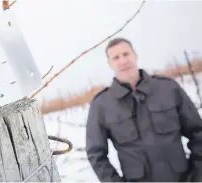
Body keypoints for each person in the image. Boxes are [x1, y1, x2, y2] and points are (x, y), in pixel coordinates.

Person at [85, 37, 202, 182]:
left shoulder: (168, 88)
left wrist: (197, 175)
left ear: (135, 55)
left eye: (126, 54)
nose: (122, 61)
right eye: (116, 57)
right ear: (110, 64)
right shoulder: (102, 104)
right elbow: (96, 154)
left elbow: (198, 132)